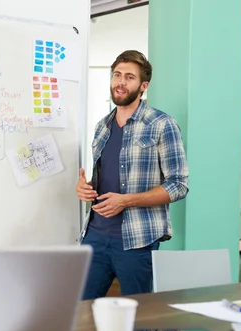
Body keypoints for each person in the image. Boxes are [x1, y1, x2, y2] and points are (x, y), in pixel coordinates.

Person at [77, 50, 188, 300]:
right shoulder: (102, 126)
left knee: (137, 318)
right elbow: (104, 179)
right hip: (94, 235)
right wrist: (84, 188)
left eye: (129, 77)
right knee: (80, 312)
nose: (120, 82)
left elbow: (178, 185)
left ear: (143, 86)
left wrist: (126, 200)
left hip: (137, 240)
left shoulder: (162, 124)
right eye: (117, 75)